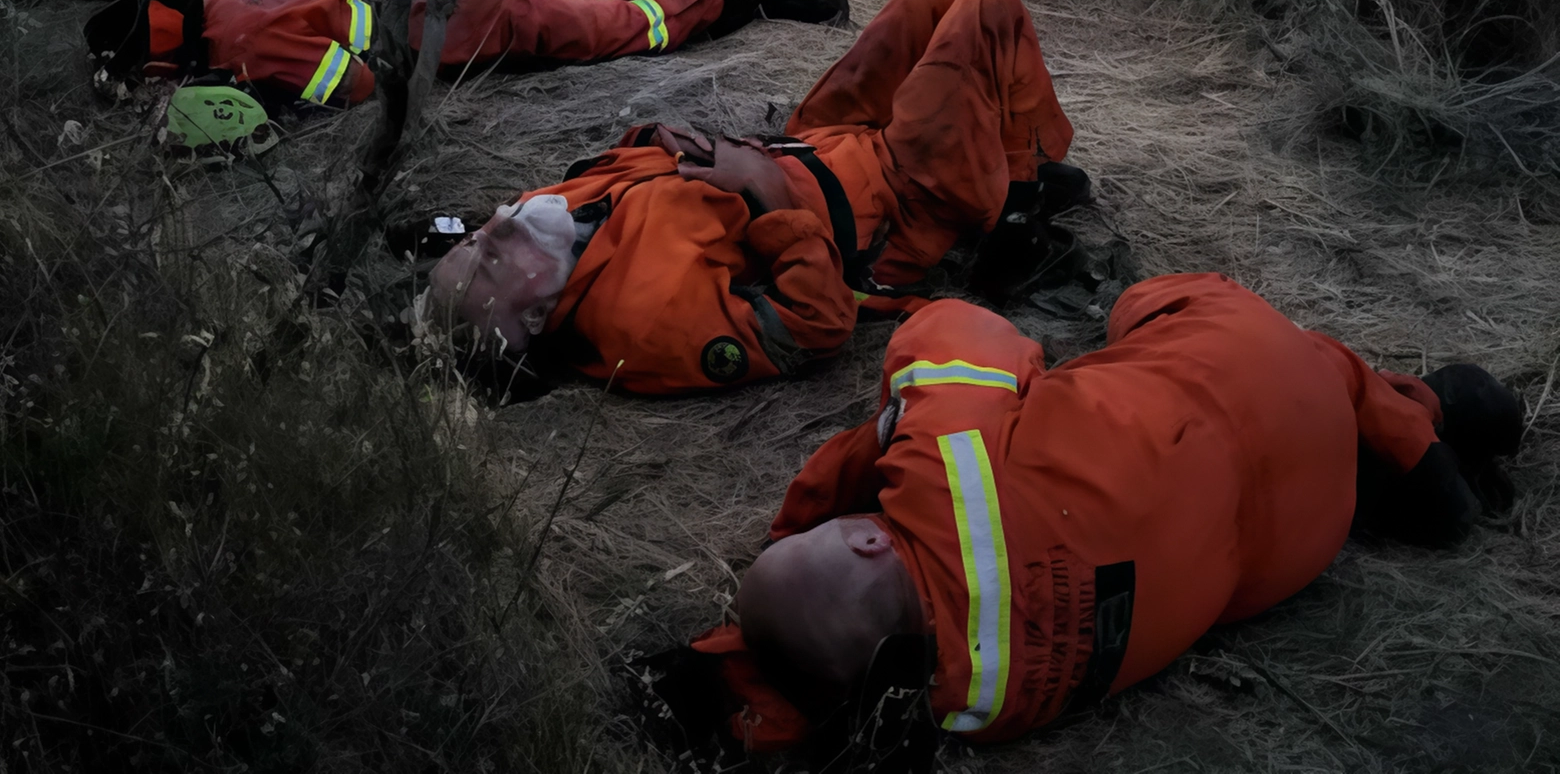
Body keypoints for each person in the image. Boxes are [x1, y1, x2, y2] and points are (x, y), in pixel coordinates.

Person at [640, 273, 1521, 769]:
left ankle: (1411, 429)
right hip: (1247, 366)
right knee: (1143, 308)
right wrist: (876, 444)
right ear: (869, 532)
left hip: (1306, 535)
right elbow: (963, 322)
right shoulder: (944, 468)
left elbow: (836, 686)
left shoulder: (969, 708)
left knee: (1236, 452)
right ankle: (1414, 416)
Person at [425, 0, 1091, 395]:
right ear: (537, 314)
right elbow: (818, 323)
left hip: (813, 142)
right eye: (490, 257)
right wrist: (766, 192)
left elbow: (627, 182)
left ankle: (1004, 167)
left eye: (477, 235)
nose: (498, 225)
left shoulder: (551, 227)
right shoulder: (646, 324)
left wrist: (655, 142)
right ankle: (1011, 208)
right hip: (889, 201)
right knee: (987, 9)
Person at [82, 0, 847, 110]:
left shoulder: (237, 42)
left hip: (441, 31)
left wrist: (269, 99)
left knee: (619, 26)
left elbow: (350, 83)